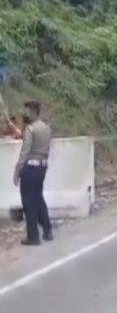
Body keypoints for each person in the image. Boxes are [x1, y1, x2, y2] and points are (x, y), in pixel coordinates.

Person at [13, 101, 53, 246]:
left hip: (30, 168)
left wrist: (17, 171)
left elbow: (25, 152)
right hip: (42, 167)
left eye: (27, 111)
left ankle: (33, 236)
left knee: (29, 202)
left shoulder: (31, 129)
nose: (25, 114)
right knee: (38, 198)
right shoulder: (46, 128)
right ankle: (47, 229)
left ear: (33, 111)